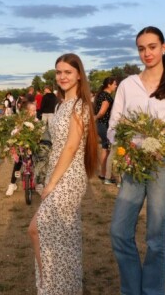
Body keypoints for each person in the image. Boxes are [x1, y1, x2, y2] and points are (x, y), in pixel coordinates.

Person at [108, 26, 165, 295]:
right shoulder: (127, 85)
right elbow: (113, 127)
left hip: (163, 164)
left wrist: (162, 146)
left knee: (156, 235)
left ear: (164, 47)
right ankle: (131, 290)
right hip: (133, 164)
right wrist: (131, 144)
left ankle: (153, 291)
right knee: (119, 231)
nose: (147, 53)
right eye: (142, 48)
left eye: (152, 47)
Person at [27, 53, 97, 294]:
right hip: (58, 174)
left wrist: (51, 184)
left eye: (68, 72)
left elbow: (70, 146)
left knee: (38, 229)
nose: (62, 77)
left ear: (79, 74)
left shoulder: (80, 105)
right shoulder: (61, 105)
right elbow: (55, 144)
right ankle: (58, 286)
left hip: (68, 177)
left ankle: (52, 287)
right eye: (59, 72)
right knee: (61, 236)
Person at [5, 100, 37, 196]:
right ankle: (12, 184)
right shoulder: (20, 122)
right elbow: (13, 133)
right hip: (21, 148)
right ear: (25, 112)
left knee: (36, 163)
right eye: (32, 111)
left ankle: (38, 184)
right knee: (18, 164)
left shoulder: (36, 122)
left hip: (33, 147)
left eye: (35, 110)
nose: (35, 113)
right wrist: (18, 130)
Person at [94, 76, 117, 185]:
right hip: (105, 125)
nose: (116, 86)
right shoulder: (107, 96)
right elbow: (103, 111)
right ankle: (107, 174)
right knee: (108, 150)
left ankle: (102, 173)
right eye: (114, 84)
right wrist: (95, 117)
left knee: (104, 148)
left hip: (100, 125)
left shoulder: (100, 94)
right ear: (109, 84)